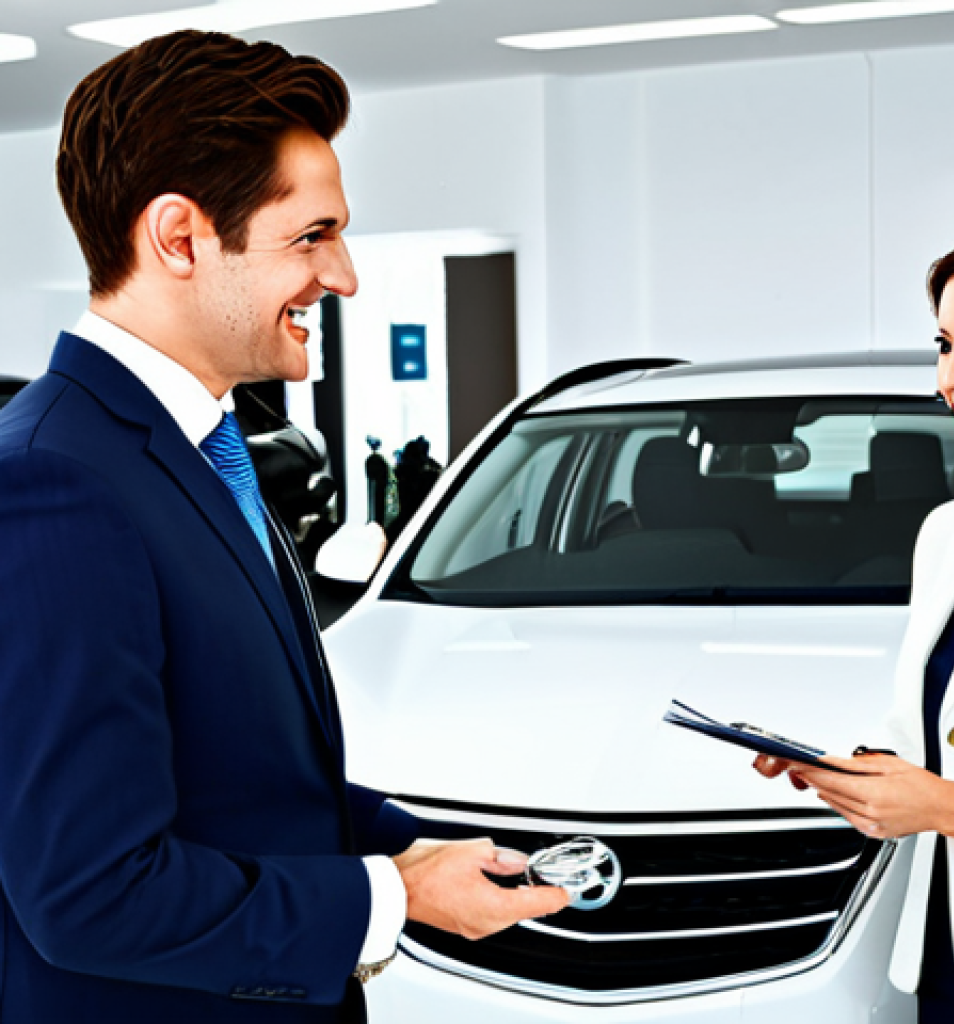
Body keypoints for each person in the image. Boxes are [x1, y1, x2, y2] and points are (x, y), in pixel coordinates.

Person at [0, 30, 567, 1024]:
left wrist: (410, 845)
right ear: (179, 238)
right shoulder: (55, 481)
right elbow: (89, 890)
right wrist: (396, 897)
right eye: (311, 237)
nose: (342, 276)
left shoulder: (196, 446)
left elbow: (238, 774)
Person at [755, 215, 954, 1022]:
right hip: (951, 966)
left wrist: (934, 804)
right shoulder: (948, 535)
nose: (951, 377)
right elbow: (944, 734)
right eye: (944, 345)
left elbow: (947, 790)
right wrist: (859, 773)